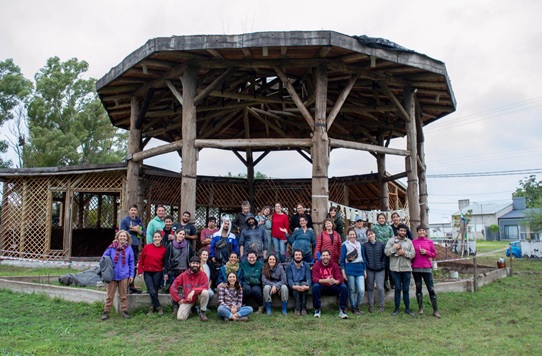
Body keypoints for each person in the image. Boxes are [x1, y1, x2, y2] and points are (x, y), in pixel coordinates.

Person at [100, 230, 134, 320]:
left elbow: (131, 262)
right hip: (112, 275)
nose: (122, 238)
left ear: (127, 238)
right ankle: (106, 312)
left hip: (124, 274)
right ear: (118, 237)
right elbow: (104, 258)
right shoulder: (111, 247)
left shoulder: (129, 249)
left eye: (124, 236)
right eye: (121, 236)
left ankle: (124, 311)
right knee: (110, 295)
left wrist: (131, 275)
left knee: (123, 295)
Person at [385, 223, 415, 316]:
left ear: (406, 232)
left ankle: (407, 308)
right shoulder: (391, 241)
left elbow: (413, 254)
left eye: (404, 231)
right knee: (397, 289)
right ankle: (396, 308)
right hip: (395, 269)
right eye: (401, 230)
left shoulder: (409, 242)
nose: (402, 232)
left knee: (406, 289)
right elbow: (386, 252)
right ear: (397, 231)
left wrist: (404, 252)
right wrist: (394, 248)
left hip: (406, 268)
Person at [412, 225, 441, 318]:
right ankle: (420, 308)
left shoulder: (429, 242)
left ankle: (435, 310)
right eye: (419, 231)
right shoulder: (413, 242)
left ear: (425, 232)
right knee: (418, 288)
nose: (421, 232)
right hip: (416, 268)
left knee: (431, 289)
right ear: (417, 232)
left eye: (423, 231)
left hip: (426, 268)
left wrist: (426, 252)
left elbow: (434, 254)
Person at [164, 229, 194, 315]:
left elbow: (192, 257)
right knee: (174, 289)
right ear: (176, 234)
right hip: (173, 270)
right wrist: (165, 272)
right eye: (180, 234)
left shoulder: (188, 245)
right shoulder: (170, 245)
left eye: (183, 234)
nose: (181, 235)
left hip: (185, 271)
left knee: (186, 289)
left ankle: (187, 306)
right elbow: (166, 260)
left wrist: (191, 269)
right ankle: (175, 306)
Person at [169, 256, 209, 321]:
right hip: (188, 299)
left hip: (198, 298)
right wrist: (178, 299)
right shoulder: (183, 275)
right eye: (193, 263)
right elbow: (173, 287)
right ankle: (192, 308)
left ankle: (202, 312)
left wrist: (194, 291)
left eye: (197, 263)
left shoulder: (203, 275)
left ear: (199, 265)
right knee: (181, 318)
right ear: (190, 264)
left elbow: (205, 286)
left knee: (205, 292)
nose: (195, 265)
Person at [311, 249, 349, 319]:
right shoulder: (316, 265)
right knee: (315, 286)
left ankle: (342, 310)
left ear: (330, 256)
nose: (325, 257)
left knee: (343, 287)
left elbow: (340, 278)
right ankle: (317, 309)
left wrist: (335, 281)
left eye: (327, 255)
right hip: (322, 286)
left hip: (333, 286)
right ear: (321, 257)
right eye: (323, 255)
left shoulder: (334, 265)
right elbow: (314, 279)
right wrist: (325, 280)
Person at [137, 231, 167, 316]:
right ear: (153, 238)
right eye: (155, 237)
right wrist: (140, 271)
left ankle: (152, 307)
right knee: (152, 290)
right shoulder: (147, 247)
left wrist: (165, 273)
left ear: (161, 238)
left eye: (158, 237)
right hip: (147, 272)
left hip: (158, 272)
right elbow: (141, 260)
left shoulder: (163, 250)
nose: (157, 238)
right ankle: (159, 307)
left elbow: (164, 263)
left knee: (155, 290)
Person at [119, 204, 146, 294]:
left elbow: (144, 233)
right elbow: (121, 233)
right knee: (125, 264)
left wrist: (138, 230)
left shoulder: (139, 221)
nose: (133, 212)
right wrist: (132, 230)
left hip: (135, 246)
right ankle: (124, 285)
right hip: (126, 246)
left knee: (134, 266)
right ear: (129, 211)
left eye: (135, 210)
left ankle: (131, 285)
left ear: (137, 211)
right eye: (132, 210)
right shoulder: (125, 221)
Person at [340, 228, 366, 315]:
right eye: (350, 234)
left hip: (359, 268)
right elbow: (342, 259)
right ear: (348, 236)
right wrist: (343, 272)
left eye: (353, 234)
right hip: (349, 269)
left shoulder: (360, 245)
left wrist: (364, 270)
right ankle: (353, 307)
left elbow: (363, 258)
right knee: (351, 289)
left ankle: (358, 305)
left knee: (361, 289)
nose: (352, 236)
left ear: (356, 235)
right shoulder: (345, 245)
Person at [363, 229, 386, 313]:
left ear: (375, 234)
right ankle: (371, 305)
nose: (370, 236)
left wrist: (382, 265)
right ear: (367, 236)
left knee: (380, 287)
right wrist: (367, 266)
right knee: (370, 287)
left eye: (372, 234)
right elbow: (364, 257)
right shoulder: (365, 245)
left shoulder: (381, 244)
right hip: (370, 269)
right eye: (368, 235)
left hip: (380, 269)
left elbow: (384, 257)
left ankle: (381, 305)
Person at [286, 249, 312, 316]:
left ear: (302, 256)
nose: (298, 256)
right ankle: (297, 309)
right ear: (293, 256)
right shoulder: (289, 266)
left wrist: (307, 286)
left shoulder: (306, 265)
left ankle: (303, 308)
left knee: (304, 284)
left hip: (303, 284)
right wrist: (294, 286)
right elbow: (289, 279)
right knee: (296, 284)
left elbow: (308, 278)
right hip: (294, 285)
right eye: (296, 255)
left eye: (299, 255)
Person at [372, 212, 394, 291]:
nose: (381, 220)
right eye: (380, 218)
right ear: (377, 220)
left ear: (385, 219)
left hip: (388, 249)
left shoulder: (389, 228)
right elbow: (372, 237)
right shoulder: (374, 227)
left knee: (387, 267)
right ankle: (379, 283)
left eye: (383, 218)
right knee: (380, 266)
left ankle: (386, 281)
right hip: (378, 250)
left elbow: (392, 238)